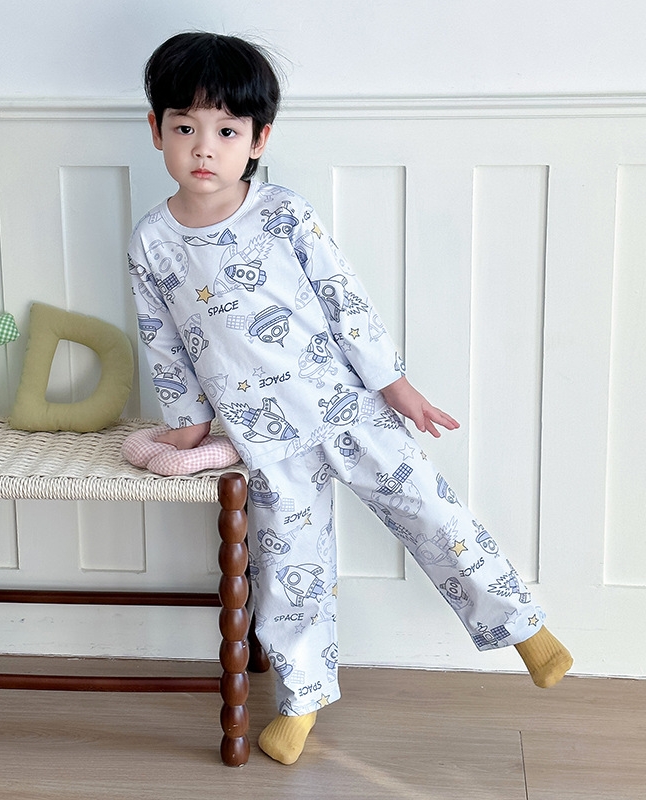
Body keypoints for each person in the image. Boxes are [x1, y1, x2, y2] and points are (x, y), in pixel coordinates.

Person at [127, 31, 573, 765]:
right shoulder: (153, 240)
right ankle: (301, 701)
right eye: (185, 128)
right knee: (288, 572)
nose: (203, 148)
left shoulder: (283, 213)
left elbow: (345, 300)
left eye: (226, 131)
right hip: (263, 437)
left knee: (432, 512)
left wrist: (396, 386)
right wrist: (187, 424)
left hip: (346, 406)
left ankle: (526, 628)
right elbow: (162, 340)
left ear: (258, 139)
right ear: (157, 131)